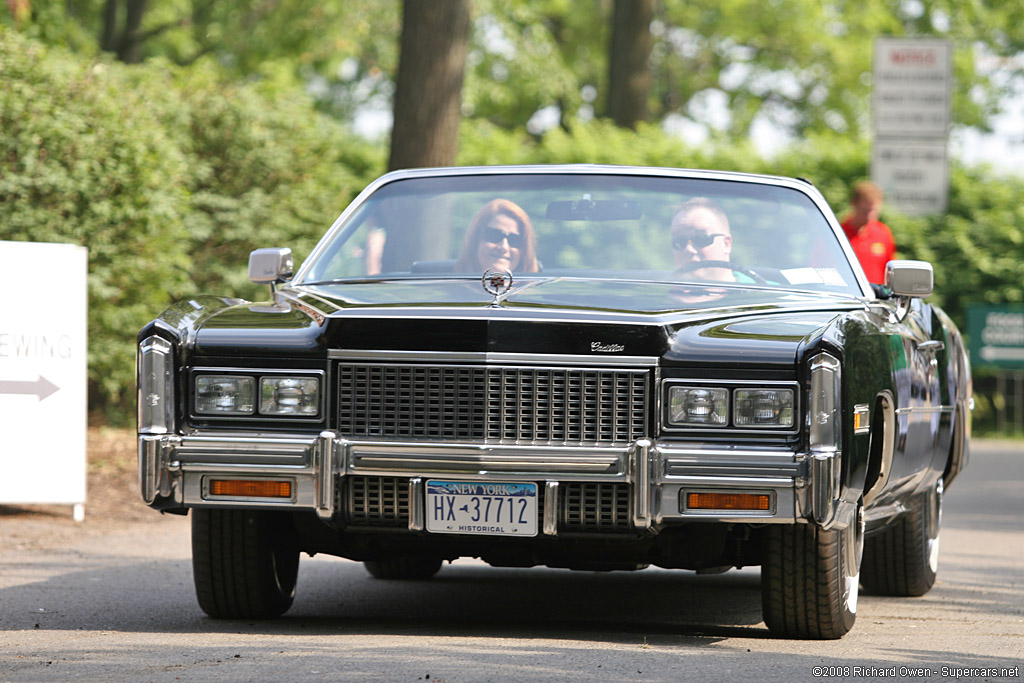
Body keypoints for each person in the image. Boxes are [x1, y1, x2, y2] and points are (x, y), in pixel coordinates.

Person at [455, 199, 539, 273]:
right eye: (494, 236)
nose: (503, 247)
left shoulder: (545, 291)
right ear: (475, 240)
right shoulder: (448, 288)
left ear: (524, 250)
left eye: (514, 240)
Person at [670, 198, 740, 282]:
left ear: (726, 244)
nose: (688, 249)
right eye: (679, 242)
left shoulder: (757, 292)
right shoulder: (657, 291)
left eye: (701, 238)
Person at [840, 180, 896, 285]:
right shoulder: (838, 233)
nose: (869, 215)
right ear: (854, 204)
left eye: (873, 211)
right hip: (847, 296)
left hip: (876, 298)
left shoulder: (882, 233)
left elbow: (891, 273)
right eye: (865, 210)